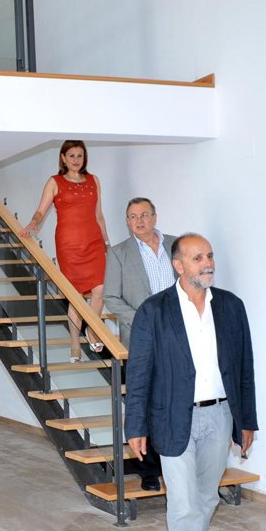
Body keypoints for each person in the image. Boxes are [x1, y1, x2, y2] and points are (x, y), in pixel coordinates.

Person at [124, 234, 257, 531]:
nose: (207, 263)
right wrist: (136, 425)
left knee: (206, 496)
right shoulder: (154, 310)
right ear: (178, 266)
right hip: (171, 416)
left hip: (220, 414)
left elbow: (244, 366)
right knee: (182, 502)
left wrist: (247, 420)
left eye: (209, 256)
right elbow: (139, 372)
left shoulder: (231, 306)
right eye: (197, 258)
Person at [103, 197, 177, 491]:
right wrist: (144, 322)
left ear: (155, 217)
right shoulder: (119, 253)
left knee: (174, 401)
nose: (139, 221)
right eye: (133, 217)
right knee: (142, 404)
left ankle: (175, 465)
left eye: (144, 215)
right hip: (141, 340)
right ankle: (148, 471)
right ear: (127, 222)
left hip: (178, 337)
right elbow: (111, 297)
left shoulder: (176, 245)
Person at [20, 140, 111, 361]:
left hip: (94, 242)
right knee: (75, 295)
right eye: (71, 156)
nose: (76, 160)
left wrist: (107, 243)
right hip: (69, 245)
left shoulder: (94, 180)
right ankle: (74, 343)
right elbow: (41, 211)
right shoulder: (55, 182)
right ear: (63, 158)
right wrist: (33, 223)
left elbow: (99, 215)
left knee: (100, 289)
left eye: (80, 155)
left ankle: (92, 330)